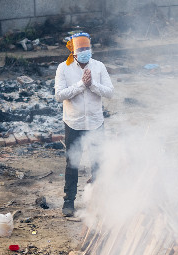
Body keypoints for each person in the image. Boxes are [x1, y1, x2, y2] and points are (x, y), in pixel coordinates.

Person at [54, 32, 113, 217]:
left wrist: (92, 84)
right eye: (81, 48)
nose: (85, 51)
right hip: (74, 123)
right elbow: (59, 95)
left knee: (97, 162)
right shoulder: (64, 68)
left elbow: (110, 92)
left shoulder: (99, 66)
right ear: (73, 51)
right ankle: (69, 202)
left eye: (87, 47)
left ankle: (98, 201)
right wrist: (81, 84)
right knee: (72, 163)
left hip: (95, 122)